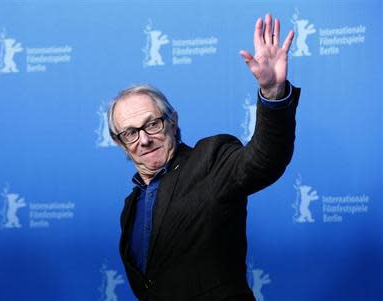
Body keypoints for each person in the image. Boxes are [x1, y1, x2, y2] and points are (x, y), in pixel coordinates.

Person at [108, 14, 300, 301]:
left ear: (173, 121)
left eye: (152, 124)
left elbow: (264, 160)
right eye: (130, 133)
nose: (144, 139)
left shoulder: (210, 159)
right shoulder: (131, 207)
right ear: (121, 144)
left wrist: (273, 93)